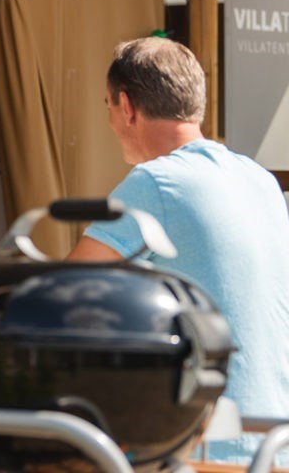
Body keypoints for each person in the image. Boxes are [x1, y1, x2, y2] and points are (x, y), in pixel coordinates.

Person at [67, 36, 289, 466]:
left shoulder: (155, 182)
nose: (111, 121)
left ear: (126, 107)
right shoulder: (260, 179)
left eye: (108, 106)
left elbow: (66, 291)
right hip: (275, 435)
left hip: (208, 441)